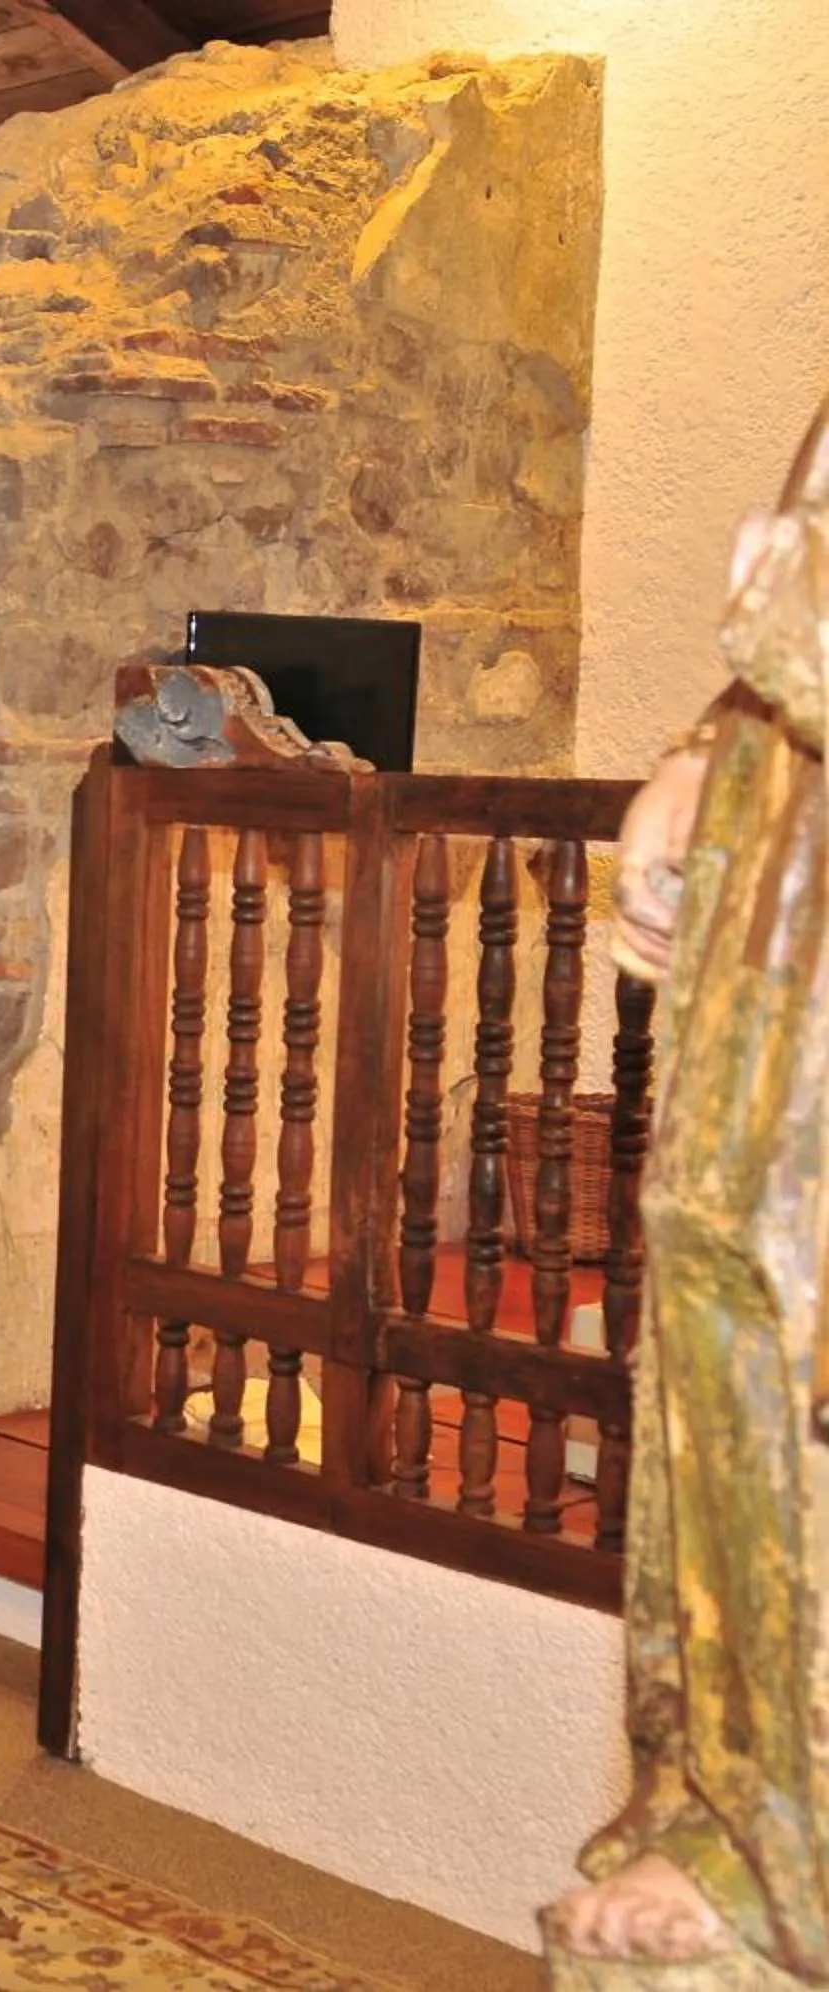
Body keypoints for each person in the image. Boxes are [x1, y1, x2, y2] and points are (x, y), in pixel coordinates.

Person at [548, 404, 829, 1984]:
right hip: (790, 923)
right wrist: (708, 755)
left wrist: (791, 640)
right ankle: (742, 1819)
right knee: (732, 1335)